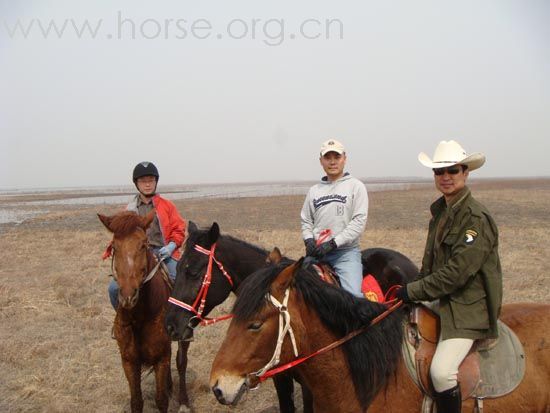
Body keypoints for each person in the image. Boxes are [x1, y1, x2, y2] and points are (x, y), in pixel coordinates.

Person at [395, 140, 503, 413]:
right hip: (441, 301)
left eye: (452, 171)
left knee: (442, 372)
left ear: (465, 173)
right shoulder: (441, 212)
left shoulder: (475, 218)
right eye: (438, 172)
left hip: (467, 308)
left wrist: (413, 291)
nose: (445, 177)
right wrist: (410, 291)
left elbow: (457, 273)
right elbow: (429, 266)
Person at [107, 161, 186, 309]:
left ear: (156, 182)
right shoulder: (129, 209)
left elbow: (179, 229)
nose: (148, 184)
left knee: (179, 281)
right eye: (143, 181)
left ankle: (178, 323)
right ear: (137, 184)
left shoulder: (167, 206)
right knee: (113, 289)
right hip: (137, 254)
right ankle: (123, 320)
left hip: (163, 253)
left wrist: (171, 246)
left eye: (151, 180)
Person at [301, 139, 368, 297]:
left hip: (345, 254)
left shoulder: (356, 186)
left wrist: (333, 243)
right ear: (321, 161)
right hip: (317, 253)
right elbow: (306, 220)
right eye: (327, 157)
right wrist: (309, 240)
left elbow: (358, 223)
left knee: (352, 296)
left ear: (344, 158)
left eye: (336, 157)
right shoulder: (314, 191)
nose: (332, 162)